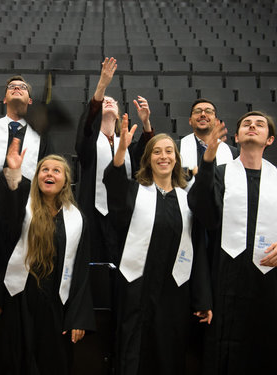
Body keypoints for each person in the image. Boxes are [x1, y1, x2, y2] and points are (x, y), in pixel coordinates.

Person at [103, 115, 212, 375]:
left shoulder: (188, 201)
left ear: (176, 158)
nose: (163, 156)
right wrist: (120, 151)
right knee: (132, 350)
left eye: (169, 152)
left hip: (174, 292)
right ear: (148, 158)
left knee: (168, 352)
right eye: (157, 152)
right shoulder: (134, 192)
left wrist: (203, 299)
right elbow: (114, 191)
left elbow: (197, 251)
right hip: (135, 287)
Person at [188, 111, 277, 375]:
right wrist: (207, 161)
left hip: (268, 283)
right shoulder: (220, 174)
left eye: (259, 124)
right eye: (246, 124)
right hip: (224, 278)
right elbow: (203, 212)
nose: (252, 126)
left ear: (269, 139)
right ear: (236, 137)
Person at [0, 139, 95, 375]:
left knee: (53, 362)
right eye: (44, 170)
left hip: (55, 303)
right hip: (21, 297)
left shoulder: (77, 219)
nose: (49, 174)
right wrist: (12, 173)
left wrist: (77, 317)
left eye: (56, 171)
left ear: (65, 181)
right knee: (17, 360)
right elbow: (8, 217)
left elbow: (81, 269)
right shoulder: (24, 206)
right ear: (37, 176)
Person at [75, 57, 154, 261]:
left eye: (113, 101)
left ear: (119, 114)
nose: (109, 101)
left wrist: (146, 123)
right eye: (104, 101)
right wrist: (102, 85)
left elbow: (144, 158)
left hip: (124, 214)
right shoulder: (89, 141)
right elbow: (86, 128)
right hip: (93, 213)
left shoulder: (126, 143)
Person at [0, 75, 52, 188]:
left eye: (22, 87)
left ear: (30, 101)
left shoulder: (40, 133)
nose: (16, 88)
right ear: (4, 100)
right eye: (12, 86)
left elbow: (47, 167)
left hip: (27, 195)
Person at [178, 99, 238, 185]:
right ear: (190, 121)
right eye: (197, 111)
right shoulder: (176, 148)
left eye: (208, 111)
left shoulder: (233, 153)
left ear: (216, 121)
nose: (203, 114)